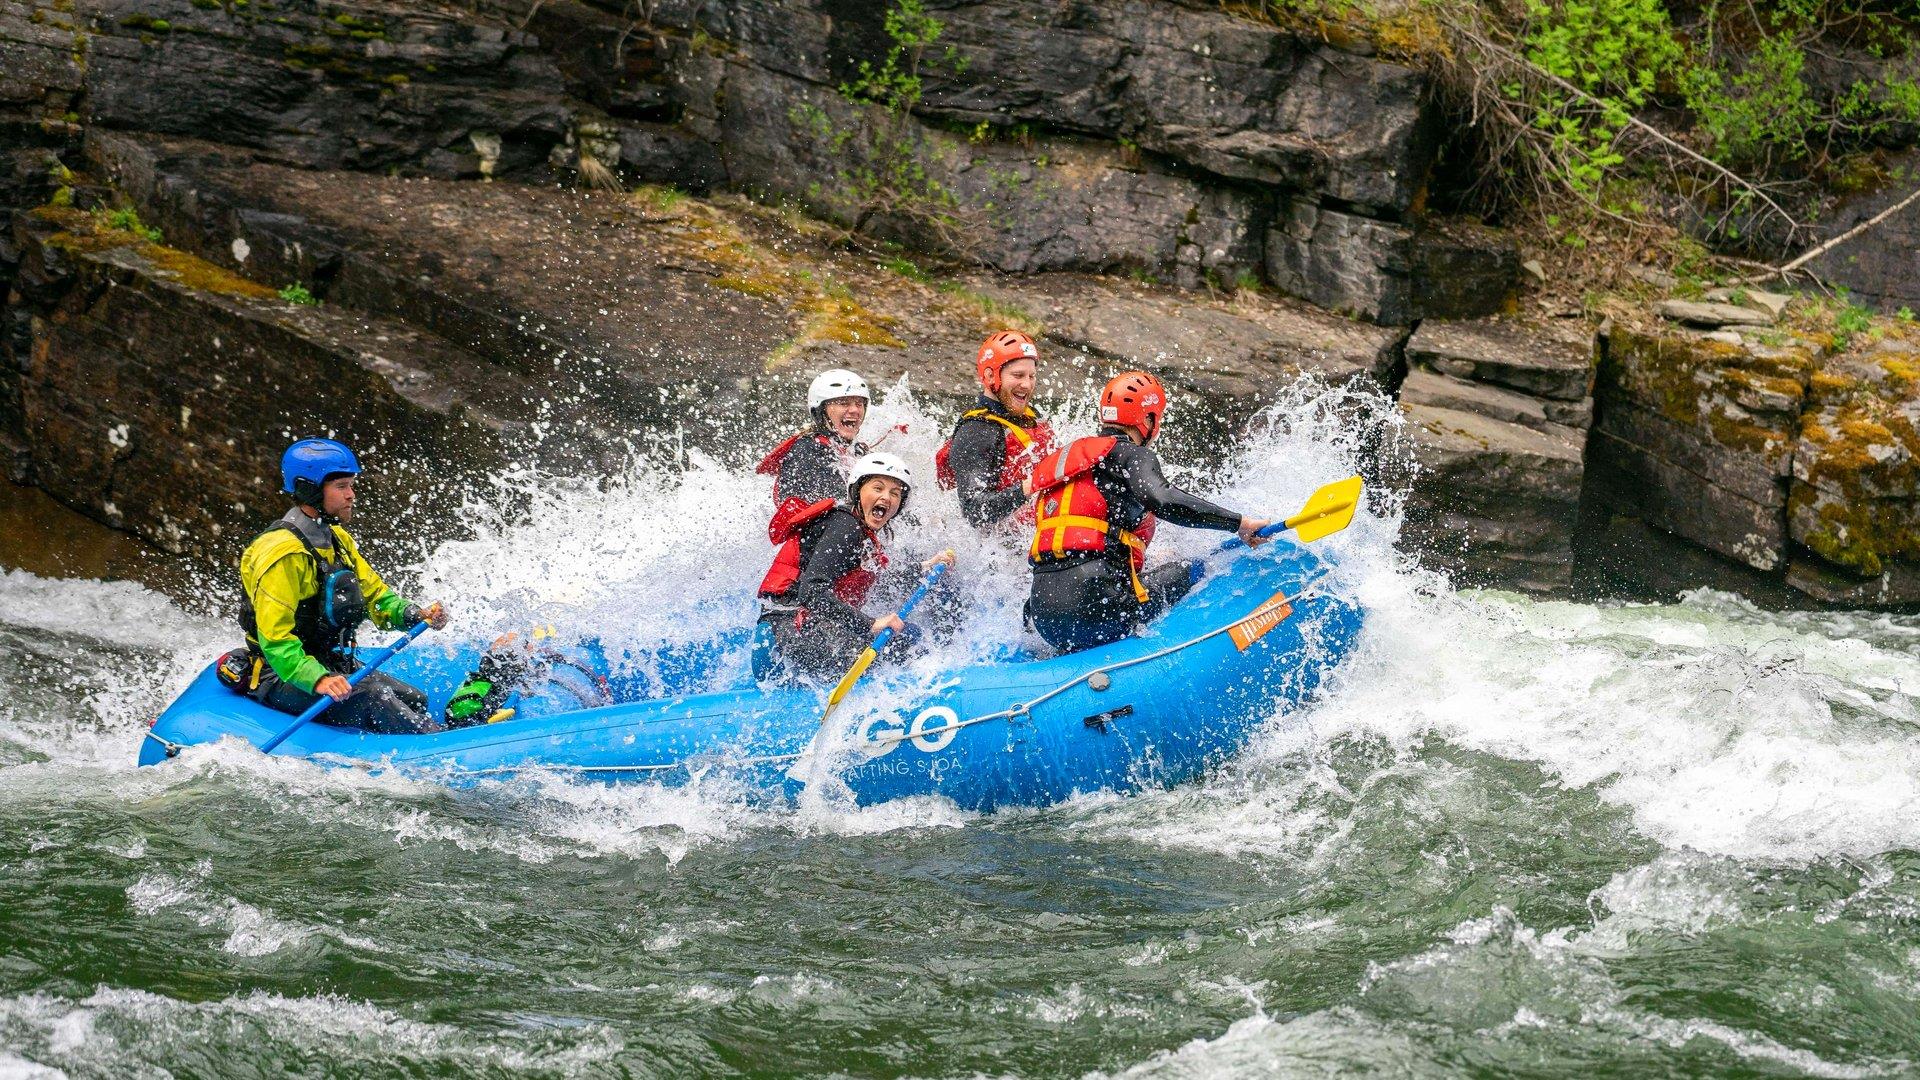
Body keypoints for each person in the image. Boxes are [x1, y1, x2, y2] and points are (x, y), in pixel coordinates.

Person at [1023, 372, 1271, 654]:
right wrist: (1238, 523)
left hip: (1045, 620)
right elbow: (1164, 500)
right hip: (1097, 613)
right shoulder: (1129, 454)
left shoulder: (1066, 462)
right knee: (1198, 566)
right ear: (1149, 420)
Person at [226, 438, 452, 734]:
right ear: (310, 489)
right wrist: (318, 679)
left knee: (415, 700)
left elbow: (376, 597)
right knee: (375, 699)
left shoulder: (337, 540)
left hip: (331, 660)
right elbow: (276, 639)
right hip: (280, 674)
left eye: (351, 485)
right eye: (342, 487)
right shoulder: (283, 554)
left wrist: (414, 614)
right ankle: (439, 744)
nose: (351, 495)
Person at [756, 452, 952, 682]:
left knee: (905, 635)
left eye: (895, 493)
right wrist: (870, 624)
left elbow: (880, 580)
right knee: (905, 640)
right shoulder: (845, 526)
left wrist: (924, 567)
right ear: (858, 490)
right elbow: (811, 592)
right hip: (788, 637)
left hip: (780, 637)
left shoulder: (859, 532)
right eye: (878, 488)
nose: (886, 497)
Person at [935, 330, 1059, 529]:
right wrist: (1030, 485)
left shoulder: (1032, 416)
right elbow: (974, 511)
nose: (1027, 385)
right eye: (1018, 375)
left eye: (1032, 376)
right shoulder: (976, 432)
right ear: (991, 375)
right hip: (996, 551)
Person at [756, 368, 871, 504]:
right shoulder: (806, 451)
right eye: (843, 403)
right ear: (820, 411)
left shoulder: (857, 451)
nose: (855, 410)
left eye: (859, 404)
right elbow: (834, 502)